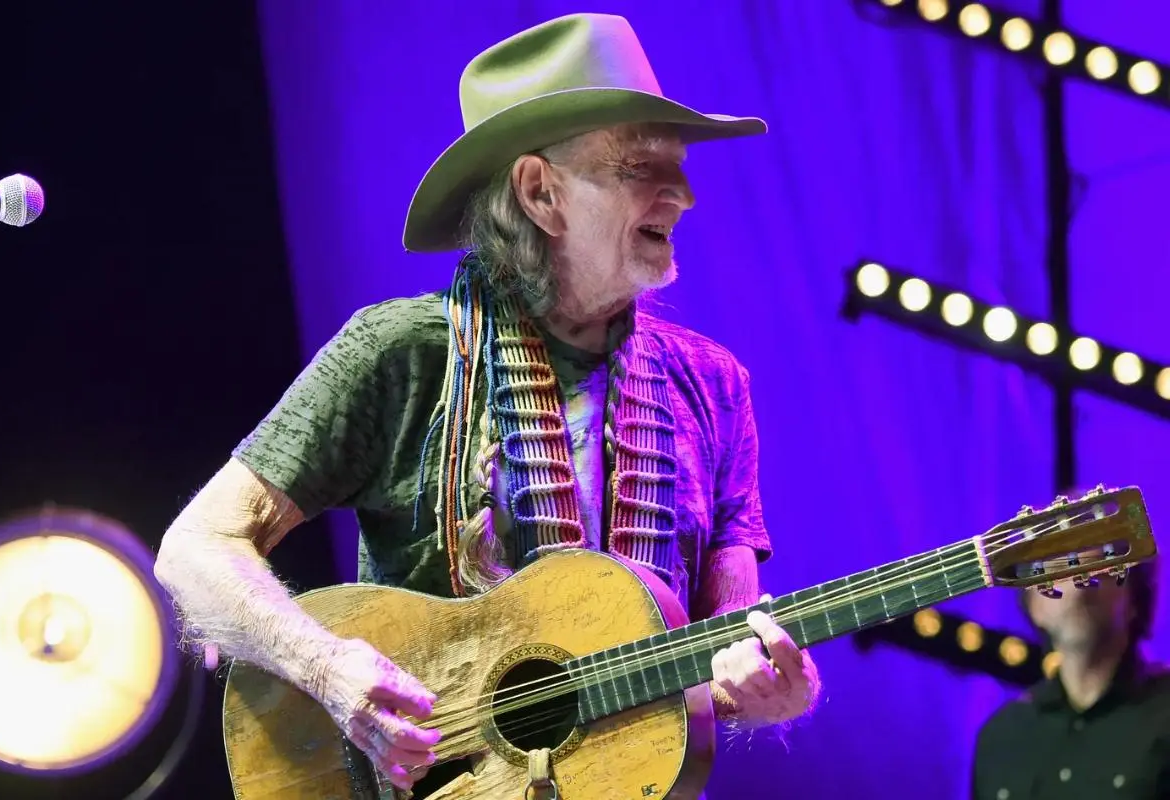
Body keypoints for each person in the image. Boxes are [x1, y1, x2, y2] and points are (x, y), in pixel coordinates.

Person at [153, 12, 821, 796]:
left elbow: (724, 641)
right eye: (642, 166)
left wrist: (777, 691)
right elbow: (196, 548)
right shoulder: (402, 351)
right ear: (541, 192)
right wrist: (329, 669)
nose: (683, 195)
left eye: (678, 168)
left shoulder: (712, 384)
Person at [970, 554, 1170, 799]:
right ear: (1034, 606)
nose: (1079, 584)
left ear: (1134, 598)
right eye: (1057, 569)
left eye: (1098, 565)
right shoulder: (1002, 736)